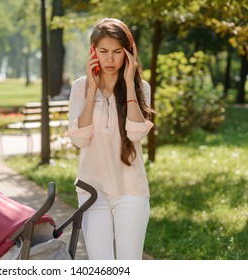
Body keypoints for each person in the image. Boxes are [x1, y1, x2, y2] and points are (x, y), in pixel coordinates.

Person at [67, 18, 154, 260]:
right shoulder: (80, 88)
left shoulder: (140, 88)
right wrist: (92, 90)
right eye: (103, 51)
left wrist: (128, 83)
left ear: (129, 53)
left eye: (117, 52)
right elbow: (79, 140)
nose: (110, 59)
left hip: (131, 190)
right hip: (92, 191)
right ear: (93, 52)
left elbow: (136, 133)